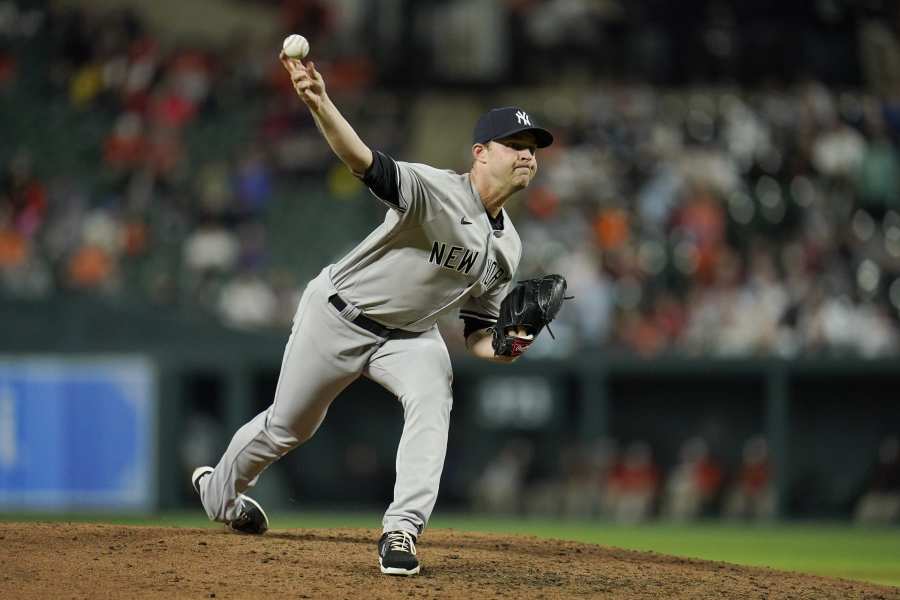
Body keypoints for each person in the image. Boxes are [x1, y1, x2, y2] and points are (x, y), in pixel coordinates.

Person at [190, 49, 554, 576]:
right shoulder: (434, 191)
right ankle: (218, 495)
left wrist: (508, 345)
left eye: (534, 148)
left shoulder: (509, 249)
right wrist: (319, 102)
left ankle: (401, 531)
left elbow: (478, 333)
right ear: (480, 152)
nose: (528, 155)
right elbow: (362, 160)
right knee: (288, 428)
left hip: (410, 336)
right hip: (339, 313)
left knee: (434, 394)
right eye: (516, 145)